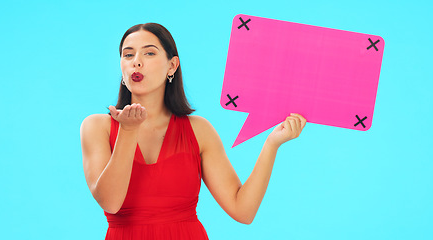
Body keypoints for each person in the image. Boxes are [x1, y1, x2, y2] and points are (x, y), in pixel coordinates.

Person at [80, 23, 307, 240]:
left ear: (172, 65)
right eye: (128, 55)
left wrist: (272, 144)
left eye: (149, 53)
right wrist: (127, 131)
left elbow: (243, 211)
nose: (136, 62)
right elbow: (110, 202)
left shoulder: (198, 130)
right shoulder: (96, 127)